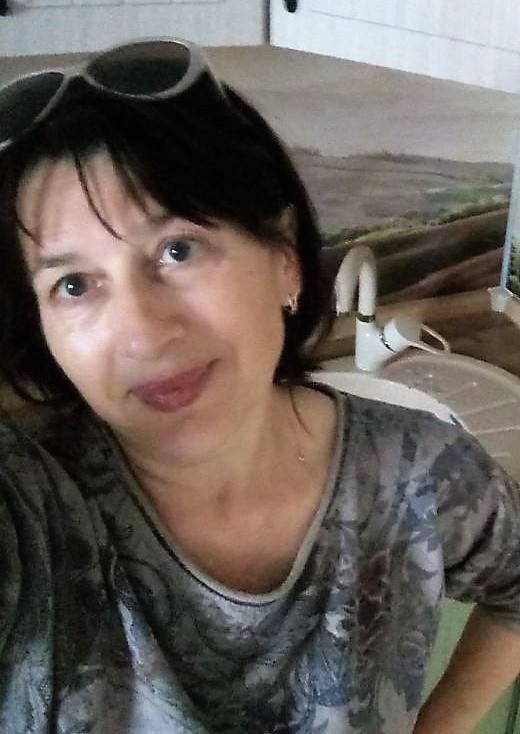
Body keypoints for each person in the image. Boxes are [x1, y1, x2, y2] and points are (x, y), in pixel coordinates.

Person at [0, 38, 518, 734]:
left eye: (178, 249)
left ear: (284, 258)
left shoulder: (421, 475)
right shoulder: (32, 505)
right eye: (73, 285)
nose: (143, 333)